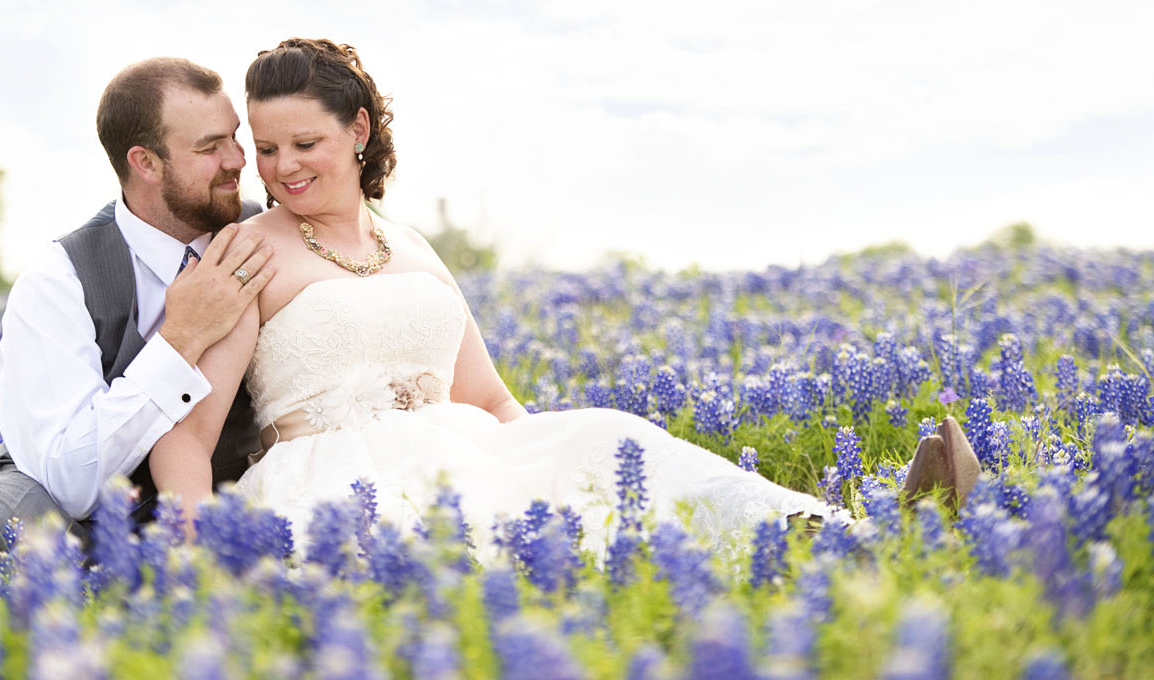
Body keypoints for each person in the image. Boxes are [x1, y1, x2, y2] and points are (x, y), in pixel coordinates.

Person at [150, 39, 982, 558]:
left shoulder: (412, 245)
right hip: (333, 478)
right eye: (264, 149)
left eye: (305, 143)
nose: (282, 167)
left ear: (359, 132)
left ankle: (846, 533)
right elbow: (186, 429)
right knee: (468, 547)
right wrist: (193, 558)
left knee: (612, 440)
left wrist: (555, 450)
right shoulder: (245, 252)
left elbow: (487, 397)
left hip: (460, 442)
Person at [0, 58, 278, 560]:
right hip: (74, 498)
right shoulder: (59, 280)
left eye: (234, 137)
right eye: (210, 148)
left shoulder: (265, 234)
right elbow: (71, 479)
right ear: (145, 163)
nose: (238, 159)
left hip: (221, 487)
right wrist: (181, 338)